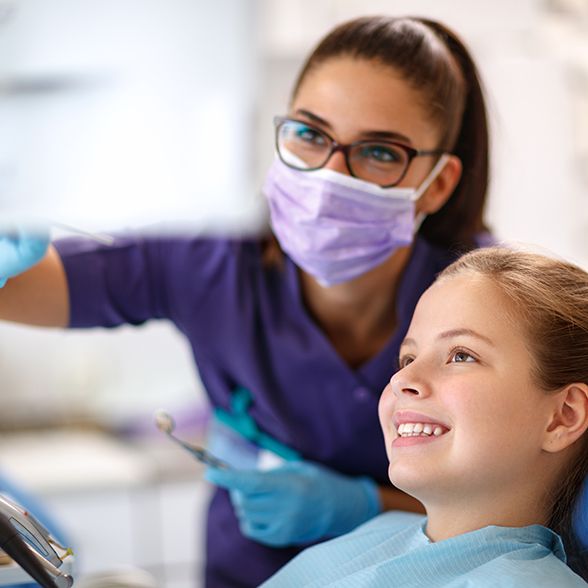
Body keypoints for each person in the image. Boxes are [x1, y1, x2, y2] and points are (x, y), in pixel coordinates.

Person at [0, 16, 491, 587]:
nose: (329, 176)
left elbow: (527, 508)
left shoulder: (487, 303)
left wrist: (370, 506)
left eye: (378, 152)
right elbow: (21, 287)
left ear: (436, 183)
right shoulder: (212, 260)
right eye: (310, 134)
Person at [259, 246, 588, 587]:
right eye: (407, 358)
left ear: (562, 416)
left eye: (461, 356)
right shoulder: (380, 532)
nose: (402, 380)